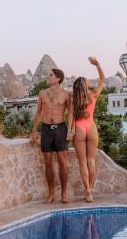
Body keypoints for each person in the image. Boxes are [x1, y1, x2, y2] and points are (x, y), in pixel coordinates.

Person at [30, 68, 72, 204]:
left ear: (58, 78)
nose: (48, 77)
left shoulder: (66, 94)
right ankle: (51, 193)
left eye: (51, 75)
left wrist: (70, 130)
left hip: (60, 128)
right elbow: (38, 113)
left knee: (62, 162)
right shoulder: (42, 93)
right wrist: (34, 130)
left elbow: (71, 113)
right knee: (48, 163)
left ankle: (64, 193)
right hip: (46, 129)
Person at [67, 57, 105, 202]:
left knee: (82, 162)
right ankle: (91, 190)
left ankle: (87, 191)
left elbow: (70, 115)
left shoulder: (73, 99)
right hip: (91, 127)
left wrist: (70, 131)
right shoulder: (93, 95)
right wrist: (97, 65)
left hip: (79, 128)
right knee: (91, 161)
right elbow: (102, 80)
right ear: (85, 85)